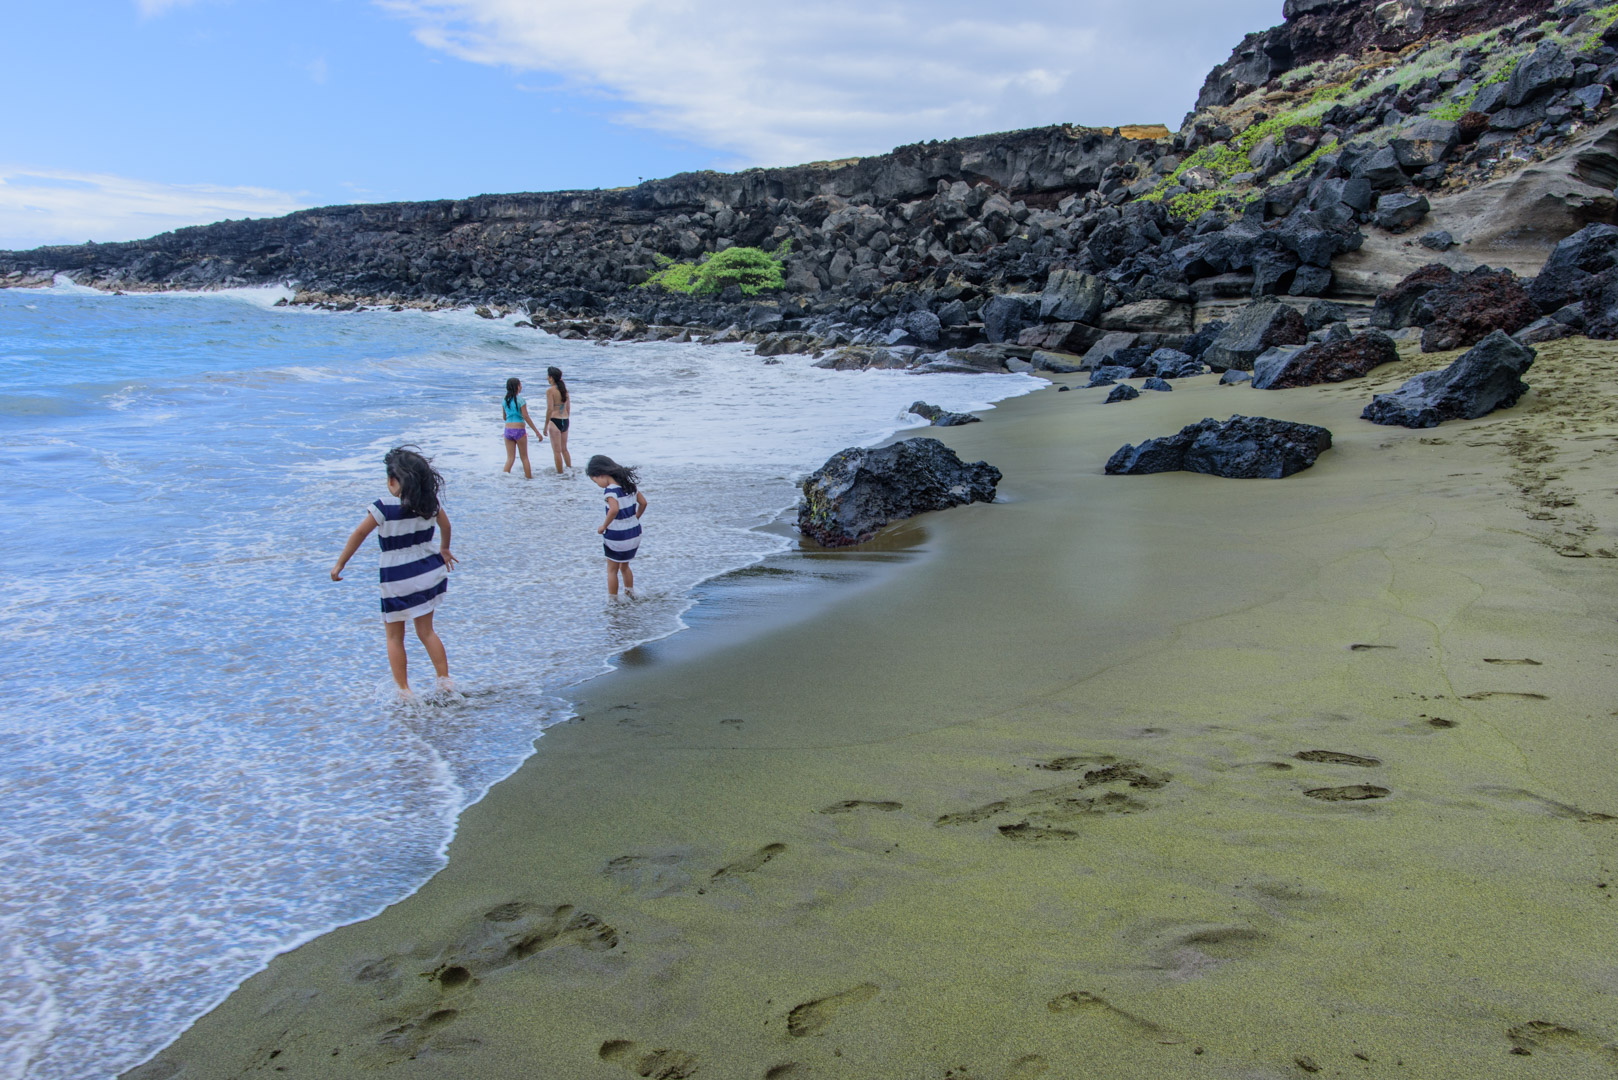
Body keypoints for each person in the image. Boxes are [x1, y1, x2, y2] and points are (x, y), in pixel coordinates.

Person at [331, 446, 457, 694]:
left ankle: (404, 691)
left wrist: (340, 563)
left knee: (394, 637)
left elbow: (359, 534)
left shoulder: (383, 507)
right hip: (427, 571)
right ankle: (445, 681)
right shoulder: (431, 504)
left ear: (393, 480)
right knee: (426, 631)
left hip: (397, 576)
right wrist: (444, 550)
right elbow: (446, 526)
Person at [587, 454, 647, 598]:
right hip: (634, 533)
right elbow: (643, 503)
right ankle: (629, 592)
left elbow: (614, 510)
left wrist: (603, 526)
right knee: (625, 567)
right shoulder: (630, 486)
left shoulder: (610, 491)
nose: (598, 484)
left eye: (595, 481)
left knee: (612, 570)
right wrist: (635, 517)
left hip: (617, 535)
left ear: (601, 475)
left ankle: (613, 601)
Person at [501, 376, 544, 478]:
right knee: (524, 458)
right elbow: (526, 417)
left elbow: (504, 417)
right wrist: (537, 432)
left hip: (507, 430)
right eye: (520, 385)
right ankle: (529, 480)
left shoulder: (504, 400)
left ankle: (503, 481)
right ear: (517, 387)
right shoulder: (521, 400)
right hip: (519, 430)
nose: (521, 386)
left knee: (510, 458)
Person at [543, 366, 572, 475]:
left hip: (555, 420)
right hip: (565, 420)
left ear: (551, 377)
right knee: (564, 449)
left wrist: (546, 425)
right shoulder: (565, 390)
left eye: (548, 376)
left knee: (557, 451)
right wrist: (565, 417)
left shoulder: (550, 391)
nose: (547, 378)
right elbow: (568, 408)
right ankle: (569, 470)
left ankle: (560, 475)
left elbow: (550, 409)